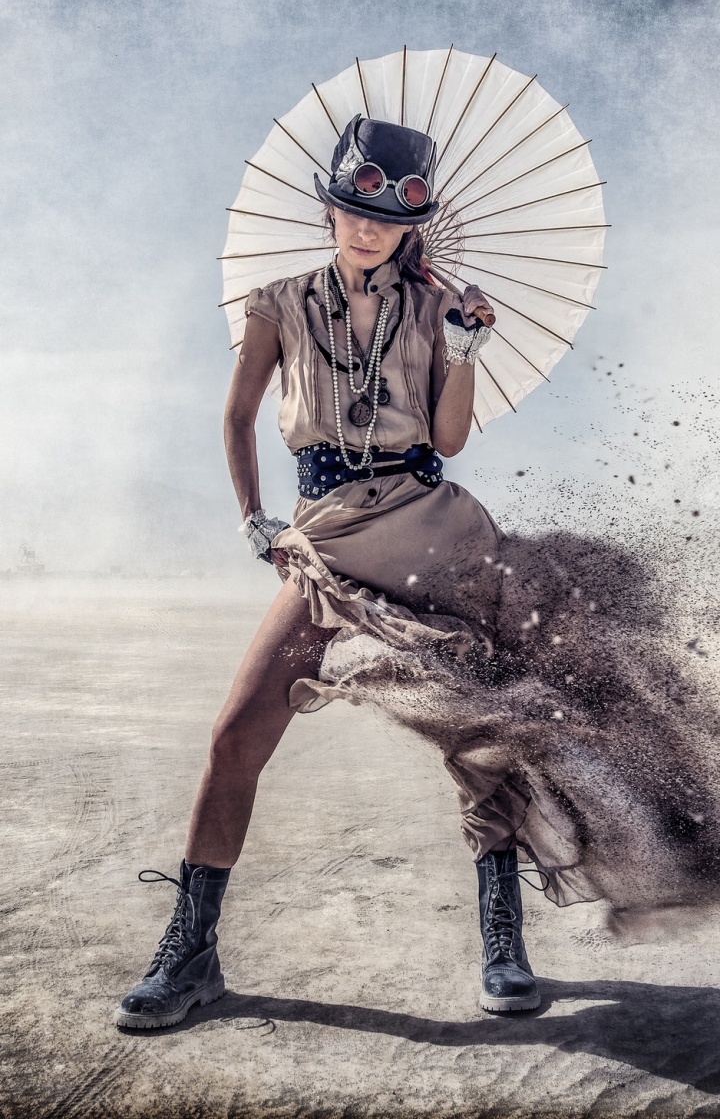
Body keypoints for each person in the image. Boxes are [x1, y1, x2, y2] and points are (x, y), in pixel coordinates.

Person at [113, 115, 550, 1031]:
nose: (364, 228)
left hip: (432, 528)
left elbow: (450, 438)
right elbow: (237, 420)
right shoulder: (276, 302)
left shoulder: (439, 310)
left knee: (482, 732)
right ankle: (190, 955)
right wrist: (253, 523)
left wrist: (466, 346)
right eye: (350, 209)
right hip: (326, 537)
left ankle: (503, 939)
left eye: (384, 219)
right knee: (237, 733)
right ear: (328, 208)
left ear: (409, 227)